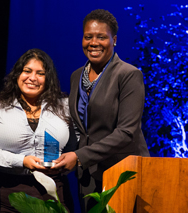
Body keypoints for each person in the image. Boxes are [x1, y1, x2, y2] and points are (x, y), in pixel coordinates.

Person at [52, 9, 150, 211]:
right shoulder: (76, 76)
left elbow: (126, 132)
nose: (93, 42)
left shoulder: (129, 75)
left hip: (123, 172)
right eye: (88, 37)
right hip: (88, 175)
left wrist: (79, 156)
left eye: (101, 37)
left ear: (114, 40)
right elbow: (80, 128)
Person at [0, 48, 77, 212]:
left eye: (40, 73)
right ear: (17, 74)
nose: (32, 78)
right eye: (27, 71)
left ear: (49, 79)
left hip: (54, 193)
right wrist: (21, 161)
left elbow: (77, 144)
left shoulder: (65, 106)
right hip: (7, 196)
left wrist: (75, 158)